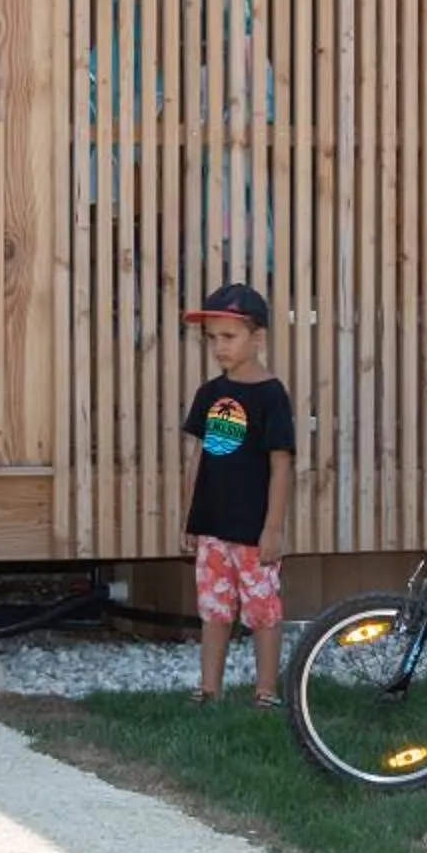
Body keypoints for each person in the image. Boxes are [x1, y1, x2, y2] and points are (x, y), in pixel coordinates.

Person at [178, 283, 296, 708]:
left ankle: (266, 691)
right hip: (211, 525)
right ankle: (209, 688)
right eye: (212, 338)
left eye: (229, 337)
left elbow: (281, 464)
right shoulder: (209, 394)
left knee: (263, 611)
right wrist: (190, 518)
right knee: (213, 609)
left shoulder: (271, 396)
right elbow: (199, 457)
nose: (219, 347)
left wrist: (273, 527)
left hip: (252, 530)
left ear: (258, 337)